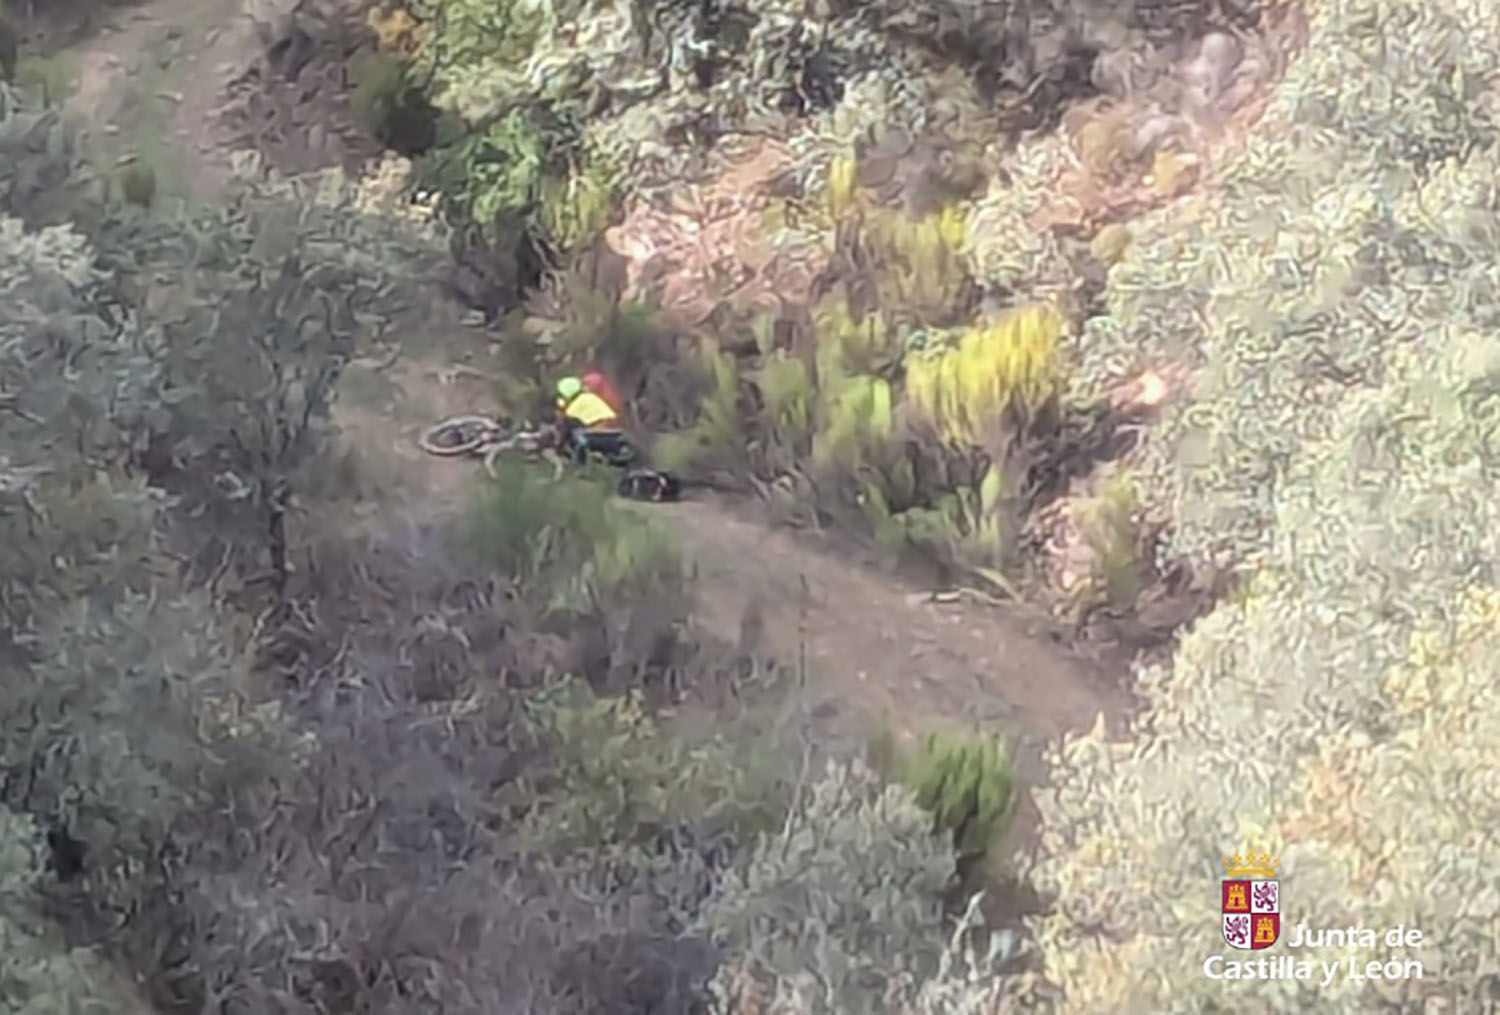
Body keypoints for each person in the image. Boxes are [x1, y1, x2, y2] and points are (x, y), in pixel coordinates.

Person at [554, 374, 631, 465]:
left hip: (598, 434)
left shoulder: (574, 407)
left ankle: (580, 460)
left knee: (575, 433)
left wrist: (558, 446)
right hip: (617, 433)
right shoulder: (591, 397)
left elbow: (564, 426)